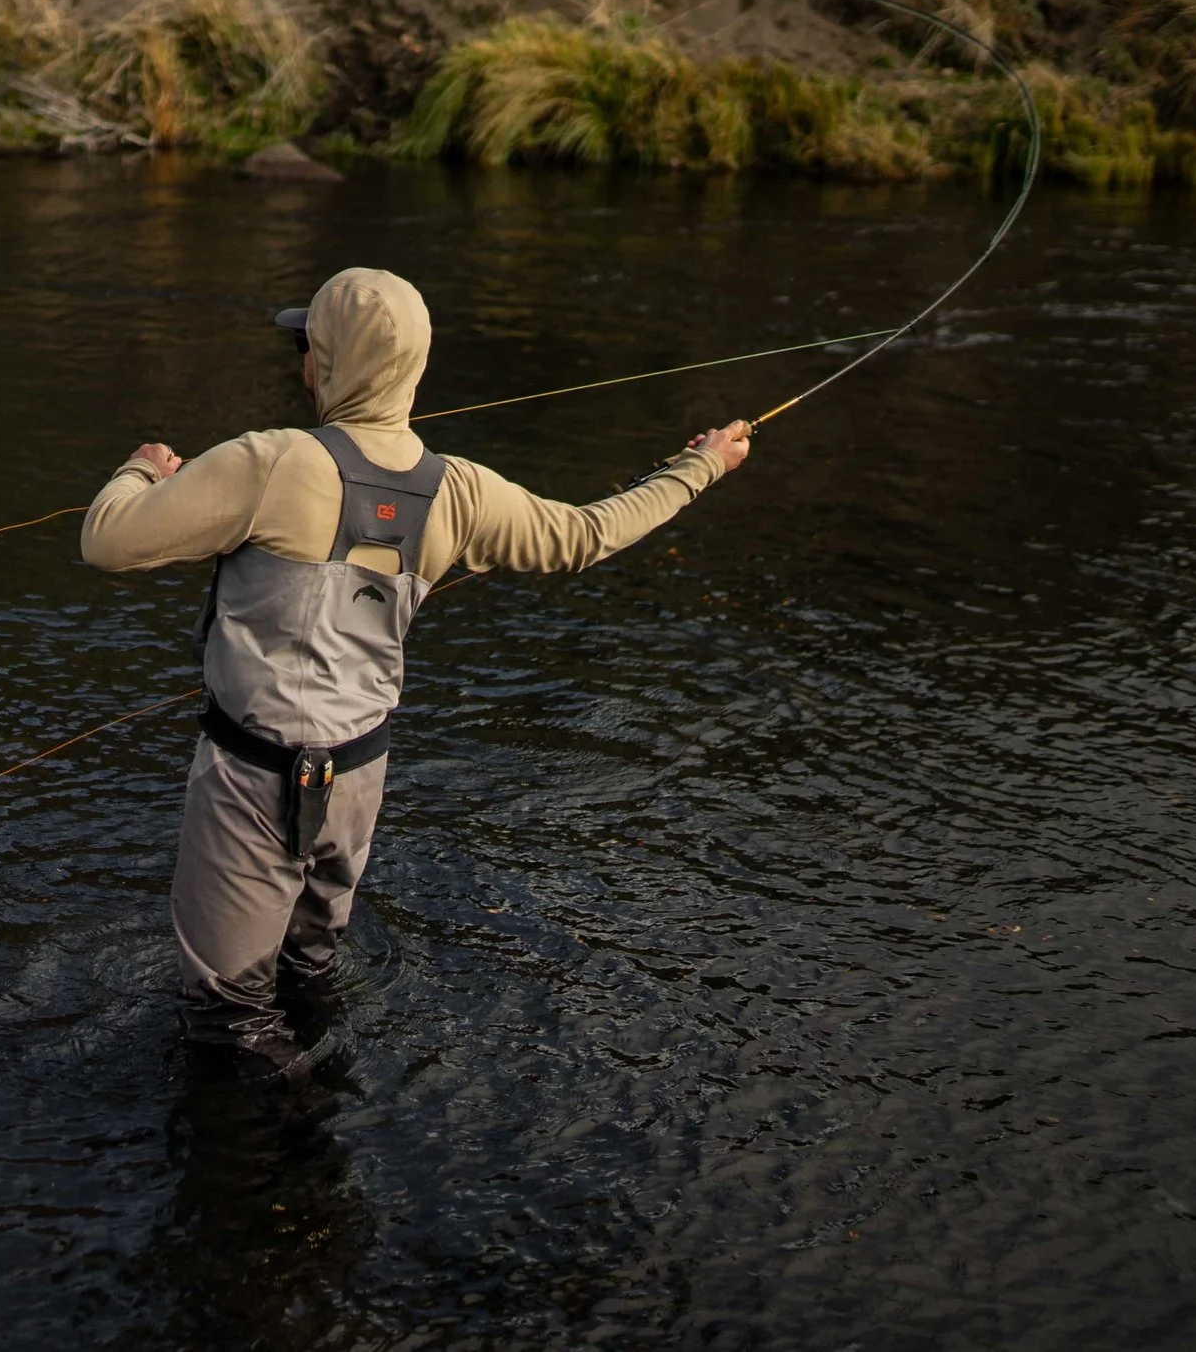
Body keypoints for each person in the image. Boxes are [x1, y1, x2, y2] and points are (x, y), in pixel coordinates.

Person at [81, 266, 751, 1085]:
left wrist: (144, 470)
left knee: (227, 1017)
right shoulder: (459, 490)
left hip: (251, 782)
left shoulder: (268, 462)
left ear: (322, 364)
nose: (301, 363)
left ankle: (272, 1159)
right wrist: (699, 466)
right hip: (359, 781)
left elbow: (107, 542)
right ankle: (329, 1123)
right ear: (417, 368)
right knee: (307, 976)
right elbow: (585, 534)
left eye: (307, 347)